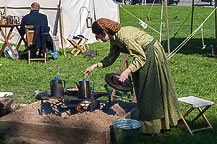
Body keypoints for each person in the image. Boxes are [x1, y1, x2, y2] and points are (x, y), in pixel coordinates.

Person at [84, 18, 181, 134]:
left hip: (151, 52)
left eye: (98, 36)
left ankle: (153, 126)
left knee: (149, 89)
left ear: (104, 32)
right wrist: (95, 65)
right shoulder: (114, 40)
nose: (98, 39)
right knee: (141, 88)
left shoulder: (125, 37)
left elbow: (141, 57)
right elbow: (111, 57)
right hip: (143, 54)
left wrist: (127, 71)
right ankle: (154, 122)